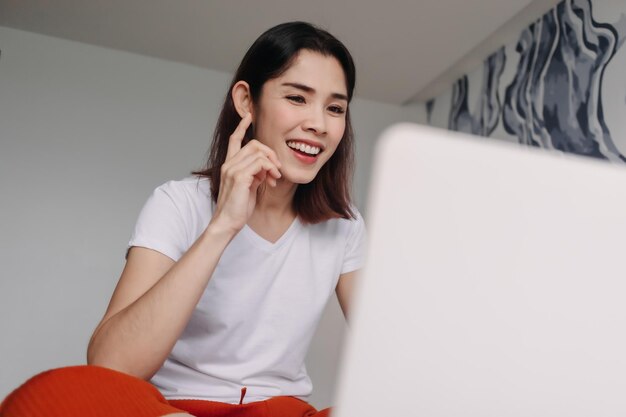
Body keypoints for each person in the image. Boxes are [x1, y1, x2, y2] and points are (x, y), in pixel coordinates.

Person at [0, 21, 365, 417]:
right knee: (52, 393)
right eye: (297, 98)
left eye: (335, 108)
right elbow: (111, 365)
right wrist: (222, 226)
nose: (318, 124)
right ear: (247, 101)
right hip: (174, 409)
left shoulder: (344, 226)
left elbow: (393, 353)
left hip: (281, 411)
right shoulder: (177, 203)